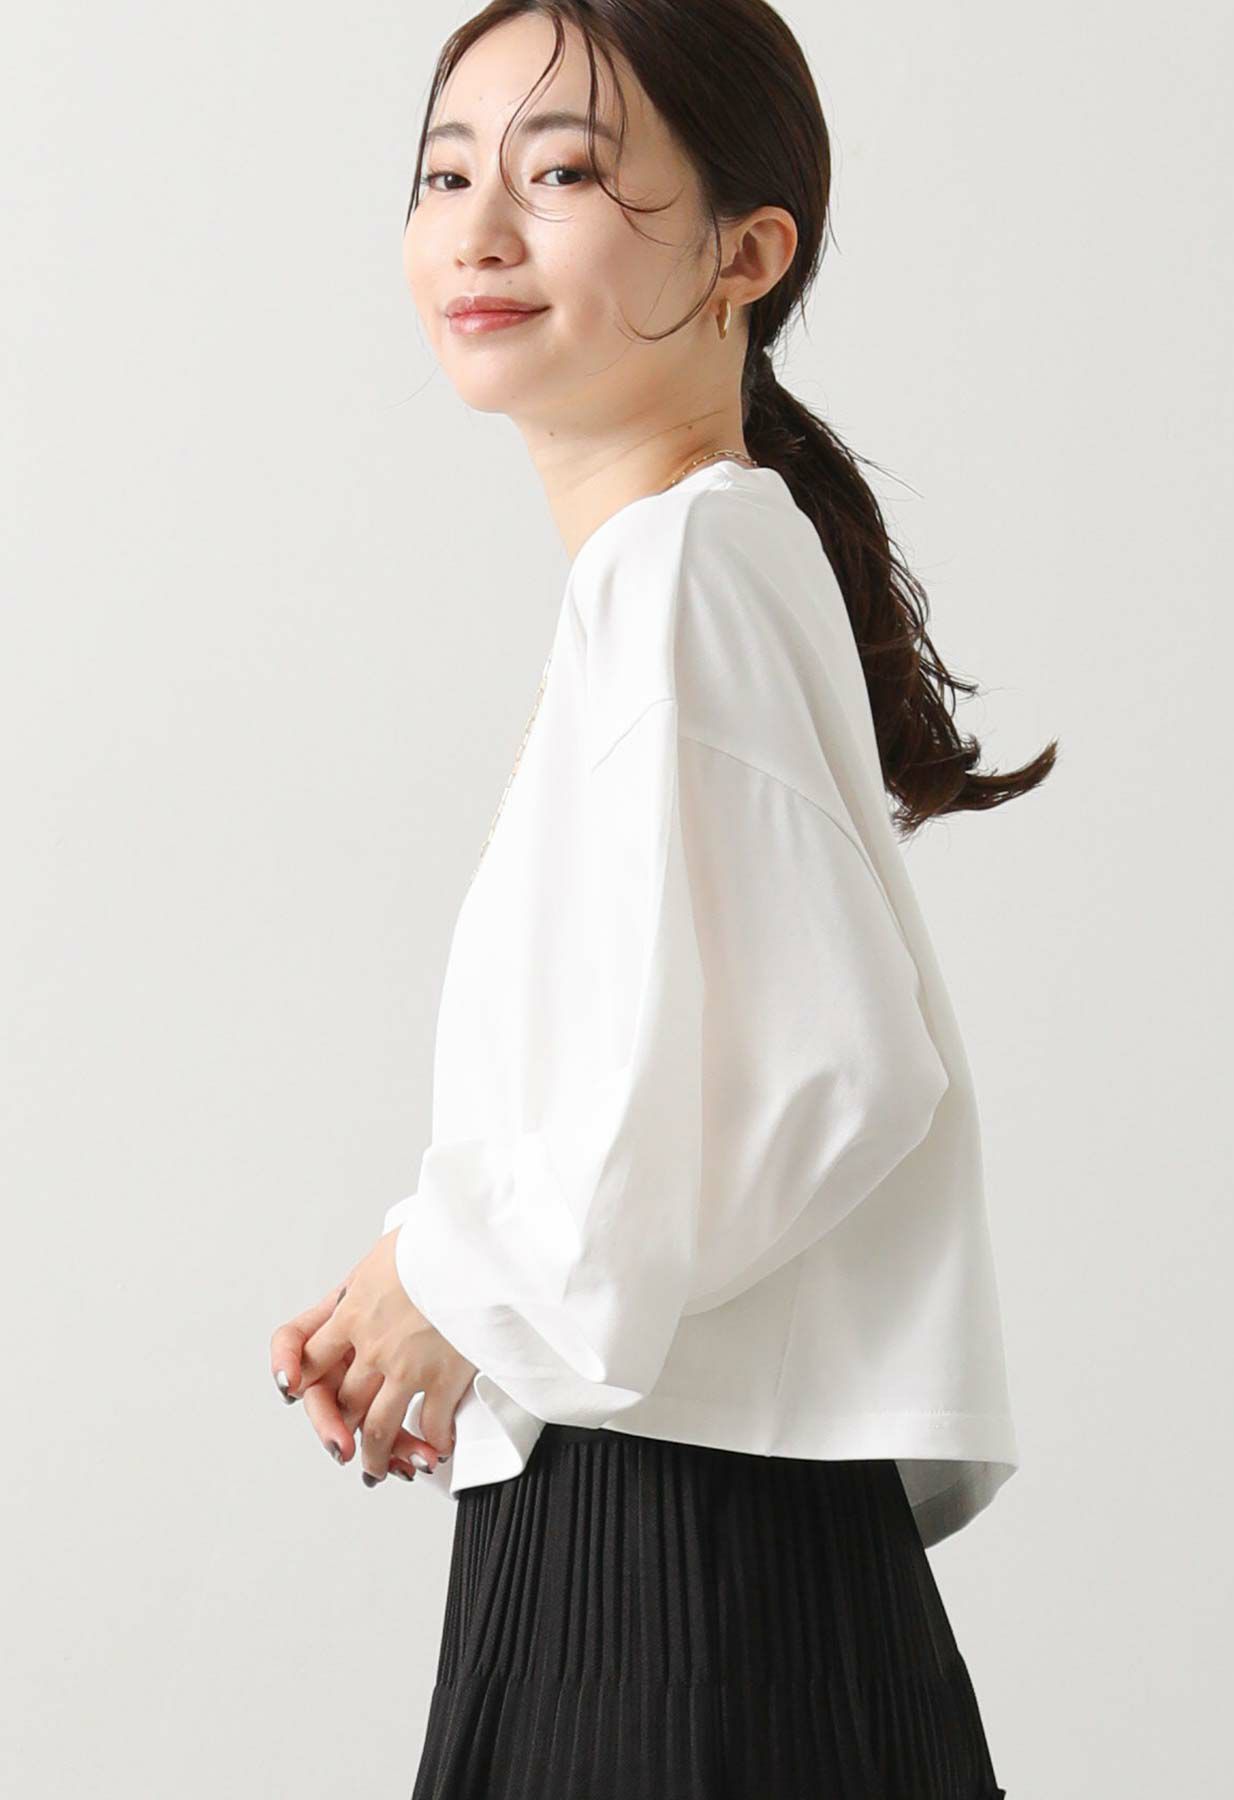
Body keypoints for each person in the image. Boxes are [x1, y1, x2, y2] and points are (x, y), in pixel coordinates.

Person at [269, 3, 1055, 1794]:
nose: (478, 230)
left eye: (560, 174)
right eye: (444, 177)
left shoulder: (687, 569)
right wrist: (431, 1270)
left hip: (681, 1564)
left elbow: (823, 1065)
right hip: (666, 1529)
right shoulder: (683, 566)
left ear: (745, 256)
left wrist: (462, 1276)